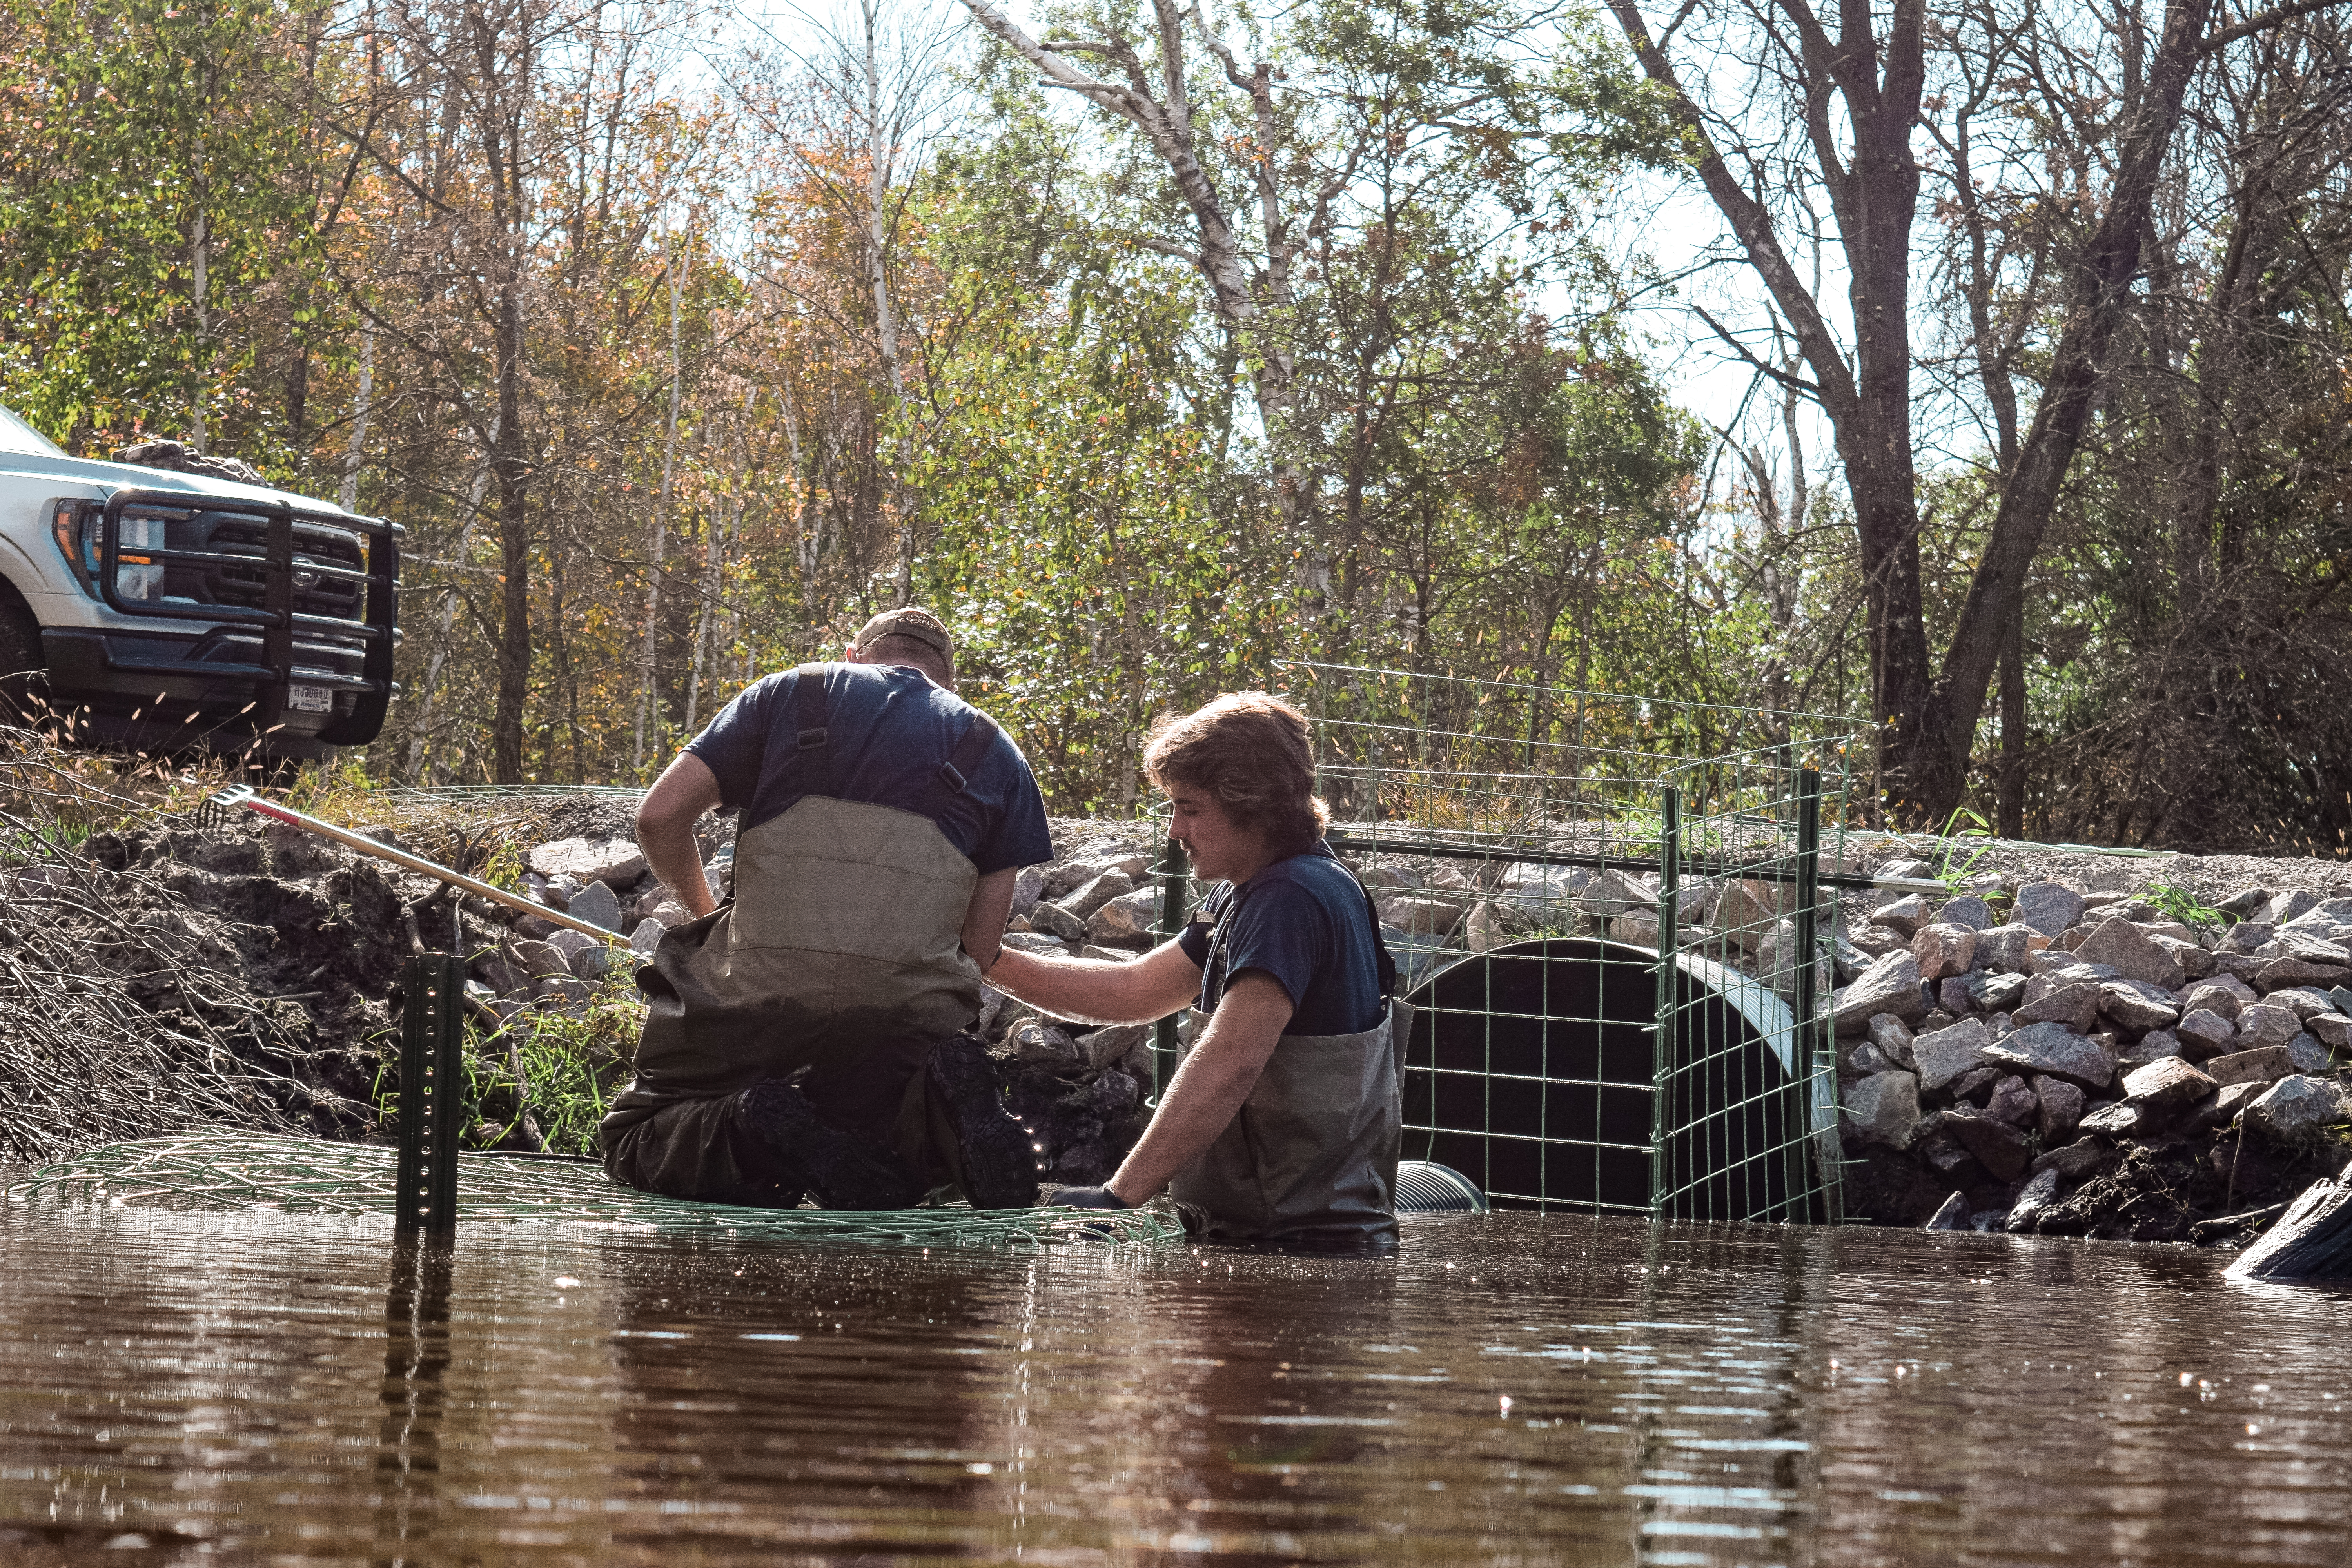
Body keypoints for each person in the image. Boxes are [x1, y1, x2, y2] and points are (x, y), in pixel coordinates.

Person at [601, 607, 1052, 1212]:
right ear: (948, 683)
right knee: (898, 1158)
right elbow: (981, 947)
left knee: (637, 1137)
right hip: (908, 1013)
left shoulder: (791, 691)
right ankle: (942, 1105)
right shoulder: (996, 749)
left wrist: (708, 917)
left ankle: (745, 1125)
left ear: (855, 657)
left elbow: (658, 817)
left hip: (760, 994)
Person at [978, 692, 1409, 1248]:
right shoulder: (1260, 890)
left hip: (1299, 1248)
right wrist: (987, 960)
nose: (1175, 832)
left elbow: (1230, 1062)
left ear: (1251, 803)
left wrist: (1117, 1198)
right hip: (1274, 1234)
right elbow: (1133, 992)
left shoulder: (1290, 898)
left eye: (1190, 808)